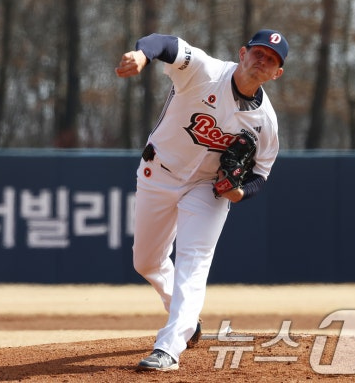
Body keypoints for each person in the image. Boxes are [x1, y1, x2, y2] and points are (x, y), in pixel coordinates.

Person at [114, 29, 288, 371]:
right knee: (146, 262)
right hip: (158, 172)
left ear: (276, 73)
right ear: (243, 53)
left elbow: (260, 174)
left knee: (193, 262)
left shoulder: (265, 122)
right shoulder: (205, 71)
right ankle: (187, 319)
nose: (262, 60)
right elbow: (165, 43)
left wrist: (238, 192)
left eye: (271, 60)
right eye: (258, 52)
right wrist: (143, 55)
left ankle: (169, 347)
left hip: (207, 188)